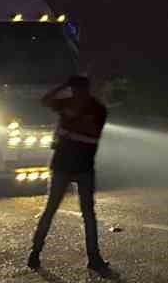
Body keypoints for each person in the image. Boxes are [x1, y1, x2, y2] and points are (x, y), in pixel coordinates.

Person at [28, 75, 110, 274]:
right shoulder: (67, 103)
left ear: (86, 91)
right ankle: (35, 252)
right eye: (73, 91)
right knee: (51, 210)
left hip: (82, 166)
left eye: (79, 91)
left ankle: (94, 257)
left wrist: (69, 128)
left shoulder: (98, 110)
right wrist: (62, 86)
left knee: (88, 214)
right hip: (63, 165)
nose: (76, 95)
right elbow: (44, 101)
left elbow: (91, 137)